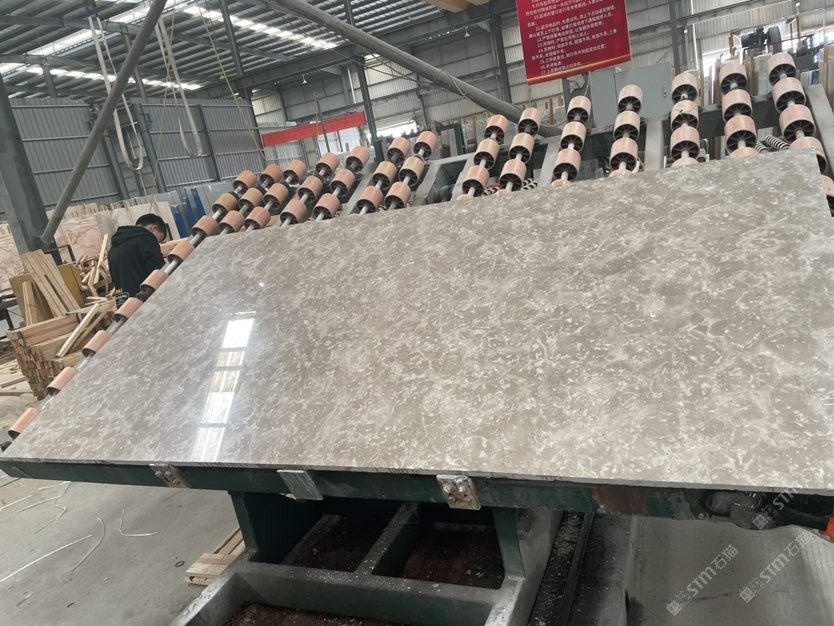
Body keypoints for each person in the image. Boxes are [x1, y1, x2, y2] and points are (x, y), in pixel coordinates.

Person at [108, 213, 167, 304]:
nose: (156, 243)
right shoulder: (146, 238)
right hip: (144, 302)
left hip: (123, 302)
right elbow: (158, 269)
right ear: (154, 228)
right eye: (158, 239)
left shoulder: (114, 247)